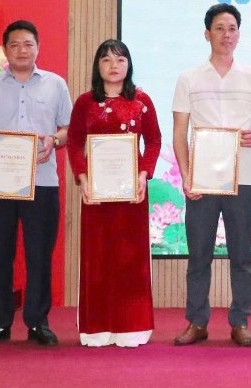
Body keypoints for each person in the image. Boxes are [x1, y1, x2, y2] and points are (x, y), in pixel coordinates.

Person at [0, 20, 73, 347]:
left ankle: (38, 323)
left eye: (28, 44)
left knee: (39, 256)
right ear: (6, 50)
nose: (22, 50)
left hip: (43, 183)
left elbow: (69, 129)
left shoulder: (55, 85)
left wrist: (54, 139)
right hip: (0, 184)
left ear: (38, 47)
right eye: (14, 44)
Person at [172, 3, 251, 347]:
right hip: (202, 180)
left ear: (238, 34)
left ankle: (240, 321)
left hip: (243, 178)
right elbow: (179, 133)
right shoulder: (189, 78)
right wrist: (186, 176)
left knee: (241, 255)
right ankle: (196, 322)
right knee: (199, 255)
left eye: (232, 29)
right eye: (219, 28)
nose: (226, 35)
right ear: (207, 34)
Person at [67, 40, 162, 347]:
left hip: (132, 194)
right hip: (96, 195)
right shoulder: (85, 103)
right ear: (98, 65)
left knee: (130, 260)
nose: (113, 66)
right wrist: (82, 177)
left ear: (129, 65)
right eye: (106, 60)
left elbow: (154, 141)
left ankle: (131, 326)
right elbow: (74, 143)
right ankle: (97, 328)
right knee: (97, 258)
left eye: (120, 60)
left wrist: (144, 174)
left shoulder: (142, 101)